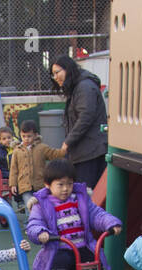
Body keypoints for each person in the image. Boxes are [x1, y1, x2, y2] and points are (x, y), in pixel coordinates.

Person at [27, 159, 126, 270]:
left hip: (82, 247)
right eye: (60, 185)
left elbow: (97, 214)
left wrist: (111, 223)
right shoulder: (41, 204)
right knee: (60, 262)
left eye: (69, 184)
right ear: (48, 185)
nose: (66, 189)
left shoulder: (80, 198)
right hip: (59, 247)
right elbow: (34, 224)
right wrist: (40, 233)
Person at [49, 54, 109, 190]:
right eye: (53, 74)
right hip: (85, 151)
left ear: (68, 69)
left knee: (85, 192)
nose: (55, 77)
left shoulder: (84, 87)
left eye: (57, 72)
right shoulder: (78, 87)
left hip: (90, 152)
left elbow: (85, 117)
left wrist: (68, 141)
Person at [8, 120, 65, 211]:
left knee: (43, 205)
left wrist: (63, 150)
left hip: (40, 184)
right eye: (23, 136)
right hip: (24, 186)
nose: (26, 139)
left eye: (29, 136)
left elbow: (54, 154)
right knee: (30, 206)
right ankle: (30, 222)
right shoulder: (17, 150)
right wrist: (13, 184)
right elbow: (13, 169)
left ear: (35, 135)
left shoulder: (42, 147)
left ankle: (44, 222)